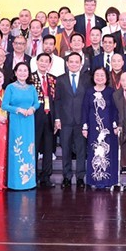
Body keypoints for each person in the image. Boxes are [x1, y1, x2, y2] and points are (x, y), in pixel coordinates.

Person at [54, 53, 90, 188]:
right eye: (71, 62)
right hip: (65, 120)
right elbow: (57, 100)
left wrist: (87, 121)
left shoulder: (87, 79)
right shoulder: (60, 80)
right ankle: (67, 176)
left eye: (76, 62)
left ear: (81, 64)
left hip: (81, 121)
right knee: (66, 150)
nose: (74, 64)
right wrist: (57, 118)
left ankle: (80, 177)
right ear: (67, 64)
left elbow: (88, 102)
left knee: (81, 150)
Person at [1, 62, 39, 191]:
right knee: (16, 148)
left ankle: (29, 181)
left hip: (29, 121)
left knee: (29, 149)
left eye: (25, 71)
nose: (23, 73)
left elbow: (37, 103)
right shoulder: (10, 88)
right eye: (20, 70)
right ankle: (16, 182)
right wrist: (18, 109)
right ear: (15, 72)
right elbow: (4, 105)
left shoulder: (32, 88)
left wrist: (32, 109)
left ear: (28, 73)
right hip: (16, 120)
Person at [82, 67, 120, 189]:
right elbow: (85, 110)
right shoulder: (88, 92)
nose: (99, 77)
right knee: (95, 151)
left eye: (102, 75)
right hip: (93, 127)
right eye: (97, 75)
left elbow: (115, 110)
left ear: (106, 78)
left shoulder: (111, 91)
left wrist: (115, 125)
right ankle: (95, 180)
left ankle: (108, 180)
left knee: (108, 152)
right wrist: (85, 127)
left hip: (108, 127)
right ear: (93, 77)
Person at [30, 54, 56, 188]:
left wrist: (57, 119)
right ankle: (32, 176)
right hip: (34, 117)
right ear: (37, 62)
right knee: (33, 148)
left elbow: (57, 101)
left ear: (50, 64)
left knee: (48, 148)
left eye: (47, 61)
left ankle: (46, 177)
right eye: (41, 61)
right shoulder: (30, 78)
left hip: (50, 117)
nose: (44, 64)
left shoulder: (53, 79)